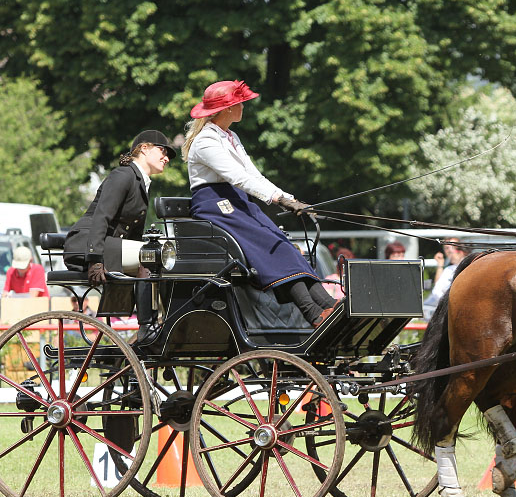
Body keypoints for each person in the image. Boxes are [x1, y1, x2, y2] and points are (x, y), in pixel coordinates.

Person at [183, 79, 335, 327]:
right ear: (226, 109)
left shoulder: (230, 136)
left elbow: (255, 176)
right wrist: (278, 199)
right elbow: (238, 177)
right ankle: (312, 313)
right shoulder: (205, 141)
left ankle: (328, 305)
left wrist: (290, 199)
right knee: (270, 245)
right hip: (215, 205)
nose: (243, 107)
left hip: (235, 202)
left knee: (283, 243)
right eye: (239, 103)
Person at [64, 130, 175, 282]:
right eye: (163, 150)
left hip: (111, 245)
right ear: (144, 148)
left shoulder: (141, 183)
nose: (167, 158)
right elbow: (102, 215)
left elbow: (134, 233)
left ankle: (133, 306)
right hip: (86, 243)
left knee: (157, 258)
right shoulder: (123, 175)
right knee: (156, 255)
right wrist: (95, 258)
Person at [422, 238, 467, 320]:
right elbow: (437, 288)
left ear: (461, 251)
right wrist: (440, 265)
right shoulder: (449, 269)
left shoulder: (469, 267)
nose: (450, 251)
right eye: (447, 248)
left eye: (453, 247)